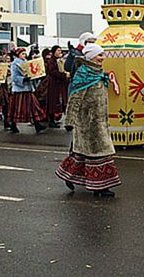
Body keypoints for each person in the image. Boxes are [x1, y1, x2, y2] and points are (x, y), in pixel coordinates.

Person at [56, 44, 120, 197]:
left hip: (99, 121)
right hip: (87, 122)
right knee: (97, 153)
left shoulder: (98, 73)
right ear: (91, 56)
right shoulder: (83, 74)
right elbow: (75, 99)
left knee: (82, 154)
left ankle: (69, 176)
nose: (102, 58)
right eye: (99, 55)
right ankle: (99, 187)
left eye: (103, 55)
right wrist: (70, 121)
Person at [7, 48, 47, 133]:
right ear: (18, 55)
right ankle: (13, 124)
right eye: (22, 54)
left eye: (25, 53)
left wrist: (37, 76)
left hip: (28, 88)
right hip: (20, 89)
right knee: (18, 108)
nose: (24, 55)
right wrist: (23, 79)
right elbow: (14, 77)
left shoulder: (27, 62)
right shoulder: (15, 64)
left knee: (33, 107)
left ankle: (37, 125)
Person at [45, 45, 69, 128]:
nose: (60, 52)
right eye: (58, 50)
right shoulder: (51, 61)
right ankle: (51, 121)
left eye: (60, 50)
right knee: (53, 102)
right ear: (54, 51)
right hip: (53, 84)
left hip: (60, 84)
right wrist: (64, 75)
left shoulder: (59, 60)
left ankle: (55, 120)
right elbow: (53, 72)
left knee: (59, 102)